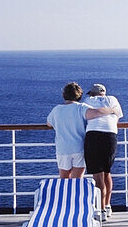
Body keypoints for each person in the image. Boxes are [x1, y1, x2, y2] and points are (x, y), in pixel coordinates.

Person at [45, 82, 114, 179]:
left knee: (64, 180)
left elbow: (49, 123)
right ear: (79, 95)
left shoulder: (56, 110)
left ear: (64, 95)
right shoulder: (81, 107)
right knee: (77, 180)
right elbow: (96, 112)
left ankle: (65, 194)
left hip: (63, 149)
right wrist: (112, 110)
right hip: (79, 148)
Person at [82, 83, 122, 216]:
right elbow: (117, 116)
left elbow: (86, 117)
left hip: (94, 135)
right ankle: (107, 205)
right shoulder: (113, 100)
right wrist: (110, 110)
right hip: (111, 136)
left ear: (92, 93)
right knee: (106, 172)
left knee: (97, 174)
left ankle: (101, 209)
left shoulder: (88, 100)